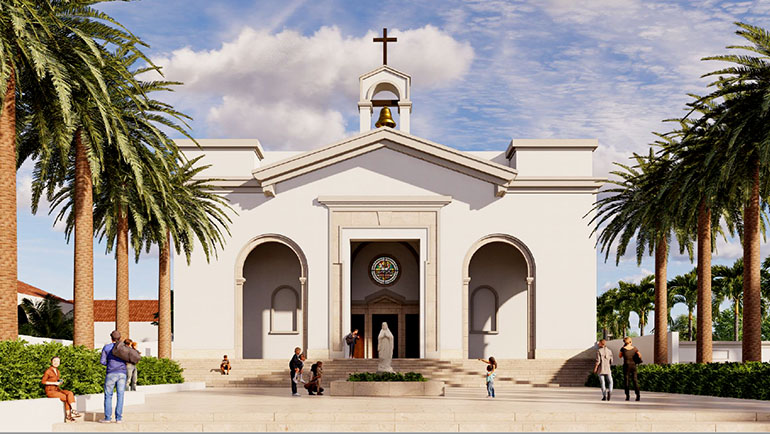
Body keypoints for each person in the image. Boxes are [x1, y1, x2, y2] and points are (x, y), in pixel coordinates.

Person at [99, 330, 127, 423]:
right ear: (120, 338)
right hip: (122, 373)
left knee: (108, 395)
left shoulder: (107, 347)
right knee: (120, 395)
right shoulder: (124, 347)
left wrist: (110, 364)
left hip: (111, 373)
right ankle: (118, 418)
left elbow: (102, 361)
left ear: (111, 338)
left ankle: (107, 418)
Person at [42, 356, 80, 422]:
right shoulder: (48, 371)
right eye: (54, 361)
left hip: (57, 389)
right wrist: (55, 383)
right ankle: (69, 417)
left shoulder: (57, 371)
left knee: (70, 393)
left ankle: (73, 410)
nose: (56, 363)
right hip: (50, 391)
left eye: (58, 361)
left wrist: (60, 381)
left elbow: (56, 381)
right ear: (51, 362)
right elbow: (43, 381)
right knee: (66, 398)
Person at [618, 336, 641, 401]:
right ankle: (638, 395)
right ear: (630, 342)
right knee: (635, 380)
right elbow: (639, 355)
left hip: (626, 366)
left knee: (626, 381)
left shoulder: (623, 349)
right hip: (633, 366)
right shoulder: (635, 348)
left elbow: (620, 356)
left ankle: (627, 396)